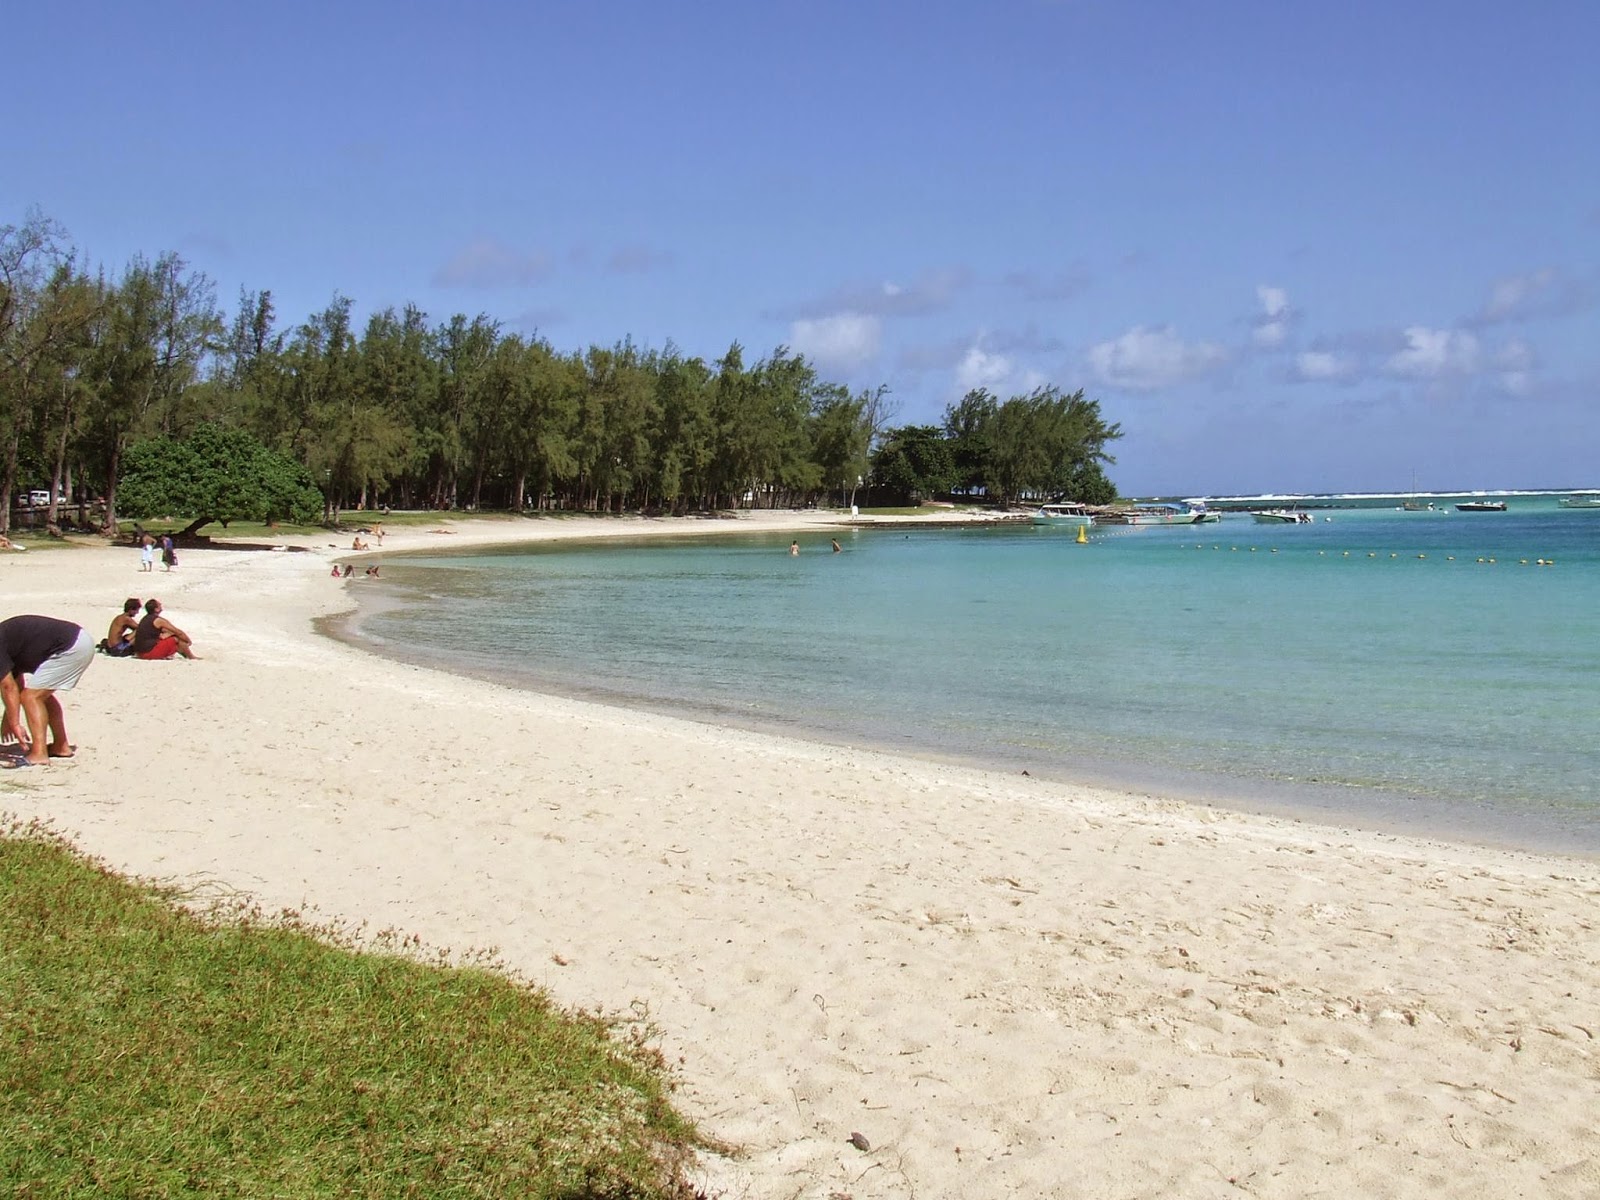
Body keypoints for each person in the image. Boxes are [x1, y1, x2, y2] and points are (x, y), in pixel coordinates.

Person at [1, 614, 94, 767]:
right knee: (40, 696)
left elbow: (8, 687)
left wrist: (14, 723)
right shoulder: (5, 641)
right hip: (79, 641)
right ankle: (61, 746)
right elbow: (15, 687)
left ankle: (39, 754)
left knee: (31, 697)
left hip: (70, 647)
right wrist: (9, 720)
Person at [131, 599, 199, 660]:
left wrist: (170, 634)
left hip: (140, 653)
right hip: (148, 653)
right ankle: (191, 657)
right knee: (176, 638)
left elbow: (167, 632)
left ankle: (187, 655)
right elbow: (178, 632)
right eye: (159, 605)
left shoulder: (145, 619)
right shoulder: (158, 620)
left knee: (172, 637)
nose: (161, 605)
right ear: (156, 609)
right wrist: (188, 641)